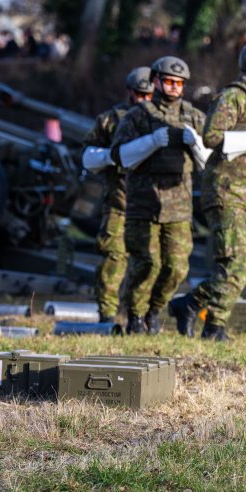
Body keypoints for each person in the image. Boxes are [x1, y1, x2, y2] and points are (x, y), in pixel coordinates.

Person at [169, 41, 246, 340]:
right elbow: (211, 137)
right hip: (226, 193)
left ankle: (190, 304)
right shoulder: (233, 97)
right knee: (234, 263)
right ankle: (214, 327)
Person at [111, 57, 209, 335]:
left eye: (179, 83)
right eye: (168, 81)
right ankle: (135, 316)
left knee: (176, 267)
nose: (174, 87)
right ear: (155, 81)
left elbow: (211, 159)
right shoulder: (138, 116)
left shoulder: (193, 116)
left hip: (179, 206)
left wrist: (196, 143)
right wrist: (151, 142)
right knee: (145, 264)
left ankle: (155, 310)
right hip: (143, 204)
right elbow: (119, 156)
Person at [81, 67, 154, 324]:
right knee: (113, 257)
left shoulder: (163, 120)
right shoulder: (111, 120)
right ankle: (107, 314)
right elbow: (88, 156)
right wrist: (111, 157)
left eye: (149, 95)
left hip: (153, 206)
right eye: (140, 94)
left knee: (151, 261)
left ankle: (142, 315)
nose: (144, 100)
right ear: (130, 92)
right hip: (120, 203)